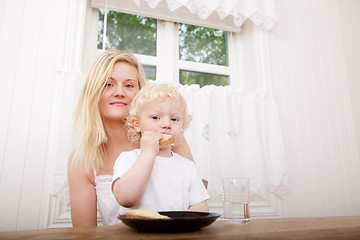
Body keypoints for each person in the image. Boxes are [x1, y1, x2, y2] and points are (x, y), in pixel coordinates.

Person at [67, 49, 194, 227]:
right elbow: (84, 235)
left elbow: (194, 203)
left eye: (129, 85)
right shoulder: (81, 160)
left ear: (140, 93)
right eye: (108, 84)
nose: (119, 92)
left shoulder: (170, 141)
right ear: (93, 92)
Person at [112, 83, 209, 213]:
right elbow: (126, 199)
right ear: (137, 124)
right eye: (155, 117)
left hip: (176, 231)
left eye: (174, 119)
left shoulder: (187, 166)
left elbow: (201, 206)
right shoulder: (128, 159)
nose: (166, 124)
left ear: (182, 126)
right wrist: (147, 154)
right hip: (138, 231)